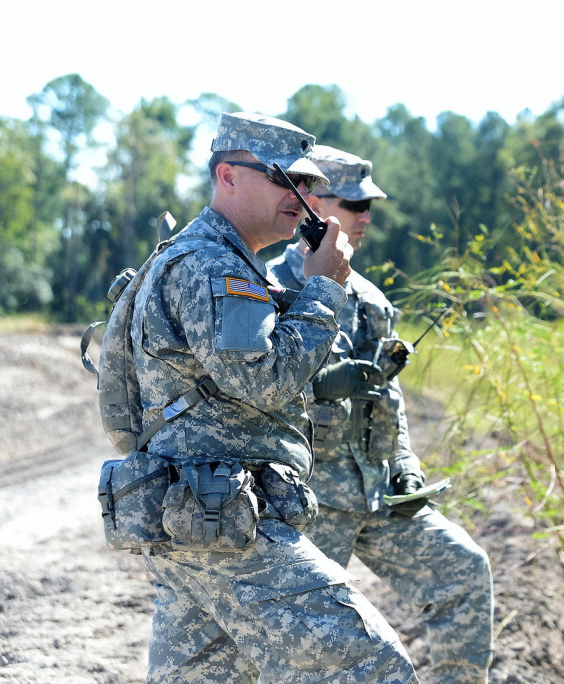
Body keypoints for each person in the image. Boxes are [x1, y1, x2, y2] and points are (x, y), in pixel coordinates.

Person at [131, 112, 417, 683]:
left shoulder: (229, 261)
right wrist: (323, 291)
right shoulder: (213, 265)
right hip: (225, 515)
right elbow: (261, 381)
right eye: (286, 180)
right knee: (377, 668)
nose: (303, 196)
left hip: (207, 514)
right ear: (228, 177)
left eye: (310, 183)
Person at [268, 145, 494, 683]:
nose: (366, 217)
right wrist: (322, 386)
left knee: (463, 570)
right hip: (307, 505)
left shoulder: (371, 299)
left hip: (375, 496)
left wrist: (405, 460)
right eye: (353, 204)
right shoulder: (268, 285)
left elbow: (387, 400)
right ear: (313, 201)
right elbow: (250, 389)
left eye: (369, 206)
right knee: (297, 650)